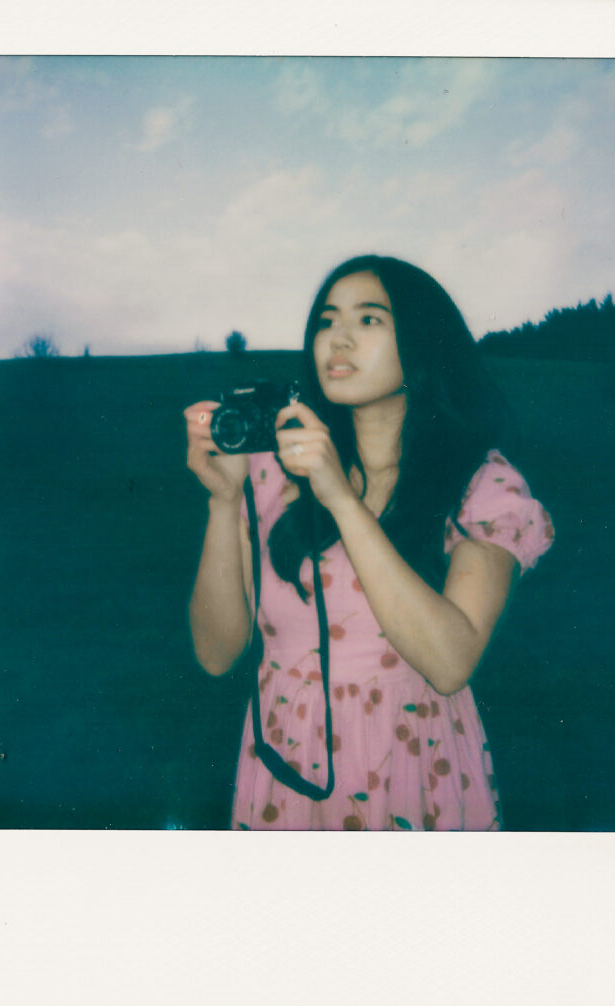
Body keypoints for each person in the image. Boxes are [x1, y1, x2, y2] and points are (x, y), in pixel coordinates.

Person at [184, 255, 553, 830]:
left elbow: (451, 662)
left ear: (423, 343)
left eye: (370, 320)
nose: (339, 338)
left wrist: (342, 500)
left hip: (411, 770)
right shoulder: (275, 475)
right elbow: (215, 653)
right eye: (327, 321)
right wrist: (223, 501)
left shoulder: (482, 488)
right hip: (284, 774)